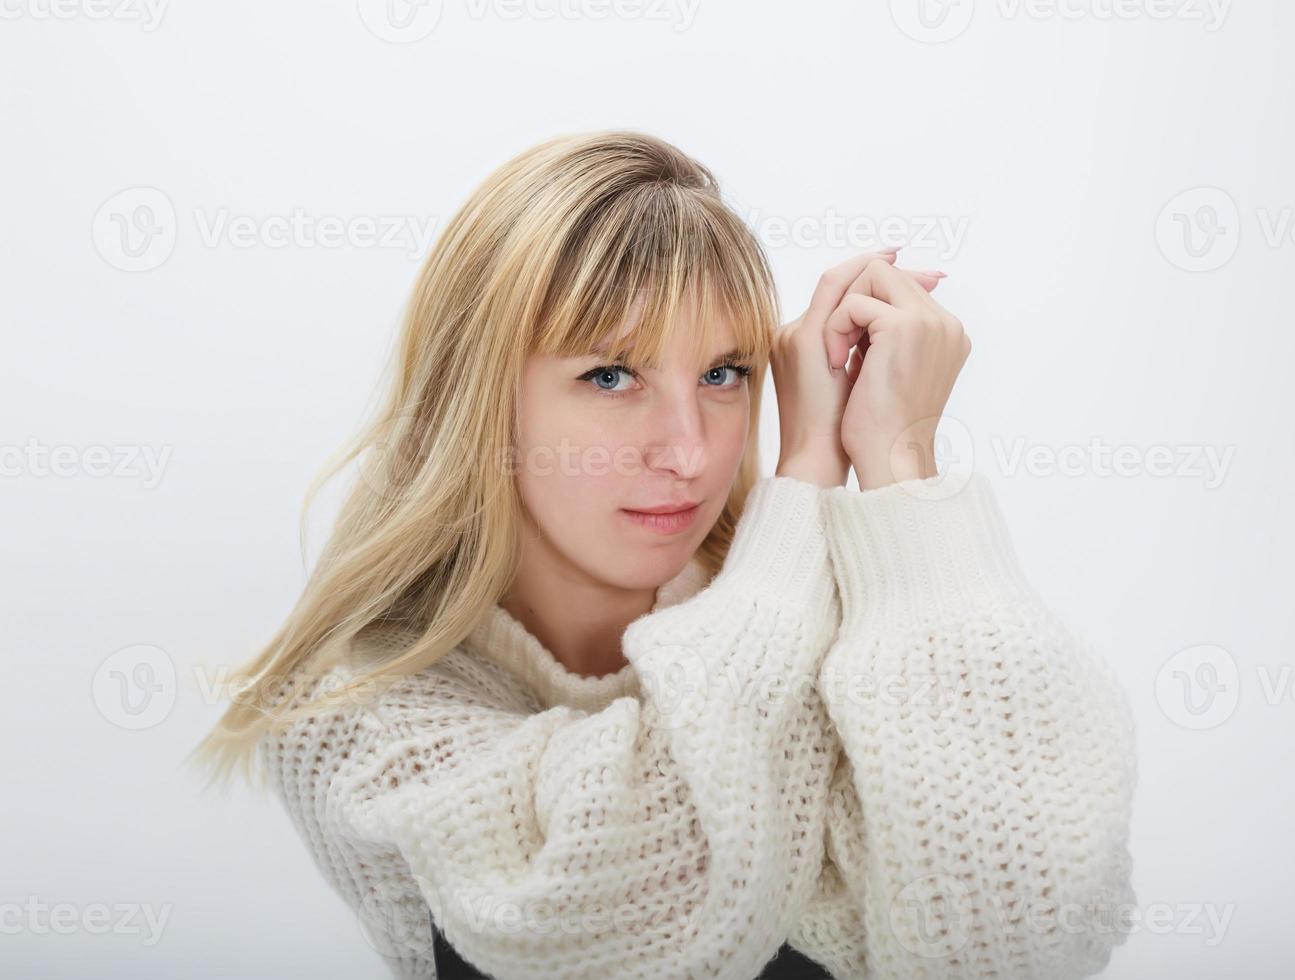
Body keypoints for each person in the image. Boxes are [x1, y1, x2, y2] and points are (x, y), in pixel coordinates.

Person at [188, 129, 1138, 980]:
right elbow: (623, 915)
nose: (690, 450)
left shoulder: (847, 620)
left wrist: (898, 465)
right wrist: (802, 482)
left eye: (726, 374)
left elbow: (1025, 936)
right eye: (611, 375)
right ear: (477, 403)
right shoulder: (355, 708)